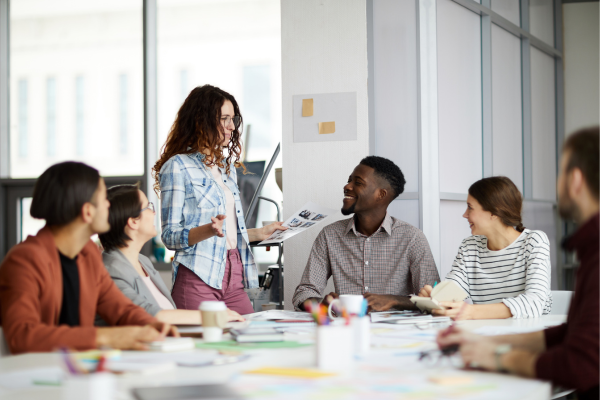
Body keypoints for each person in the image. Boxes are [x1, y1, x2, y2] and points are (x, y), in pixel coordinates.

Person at [436, 127, 599, 399]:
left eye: (560, 172)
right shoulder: (589, 247)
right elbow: (573, 334)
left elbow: (581, 363)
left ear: (576, 180)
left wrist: (500, 357)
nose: (464, 215)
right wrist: (492, 342)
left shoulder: (556, 244)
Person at [0, 162, 178, 355]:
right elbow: (22, 336)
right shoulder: (24, 260)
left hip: (80, 369)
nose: (109, 205)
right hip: (40, 374)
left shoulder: (88, 255)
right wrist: (104, 337)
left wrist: (153, 325)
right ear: (87, 212)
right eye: (103, 200)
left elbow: (119, 307)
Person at [152, 85, 285, 314]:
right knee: (204, 347)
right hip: (198, 276)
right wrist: (207, 230)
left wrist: (258, 234)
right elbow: (170, 237)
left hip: (234, 275)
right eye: (224, 119)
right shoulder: (177, 166)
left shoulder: (226, 169)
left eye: (233, 119)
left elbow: (227, 232)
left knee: (247, 338)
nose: (232, 127)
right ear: (201, 120)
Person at [292, 156, 440, 312]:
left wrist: (394, 301)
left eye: (358, 183)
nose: (347, 186)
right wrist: (322, 303)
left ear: (381, 194)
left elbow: (434, 299)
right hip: (346, 328)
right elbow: (303, 294)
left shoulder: (412, 238)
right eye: (349, 180)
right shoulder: (330, 235)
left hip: (395, 333)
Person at [98, 184, 245, 325]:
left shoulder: (143, 262)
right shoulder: (110, 271)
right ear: (133, 222)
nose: (154, 212)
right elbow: (145, 314)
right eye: (148, 207)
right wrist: (212, 316)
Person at [418, 176, 552, 319]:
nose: (464, 214)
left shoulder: (534, 241)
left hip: (528, 335)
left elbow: (535, 302)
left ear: (494, 212)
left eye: (470, 207)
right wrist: (435, 298)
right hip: (484, 335)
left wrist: (471, 312)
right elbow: (453, 289)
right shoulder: (469, 246)